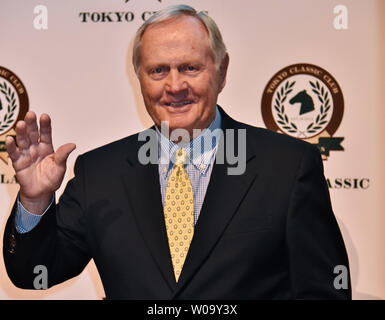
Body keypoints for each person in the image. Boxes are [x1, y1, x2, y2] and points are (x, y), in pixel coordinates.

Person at [3, 5, 351, 299]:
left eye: (190, 67)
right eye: (158, 70)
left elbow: (324, 291)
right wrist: (34, 202)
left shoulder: (287, 166)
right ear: (139, 77)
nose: (175, 86)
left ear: (222, 70)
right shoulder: (100, 172)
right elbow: (37, 273)